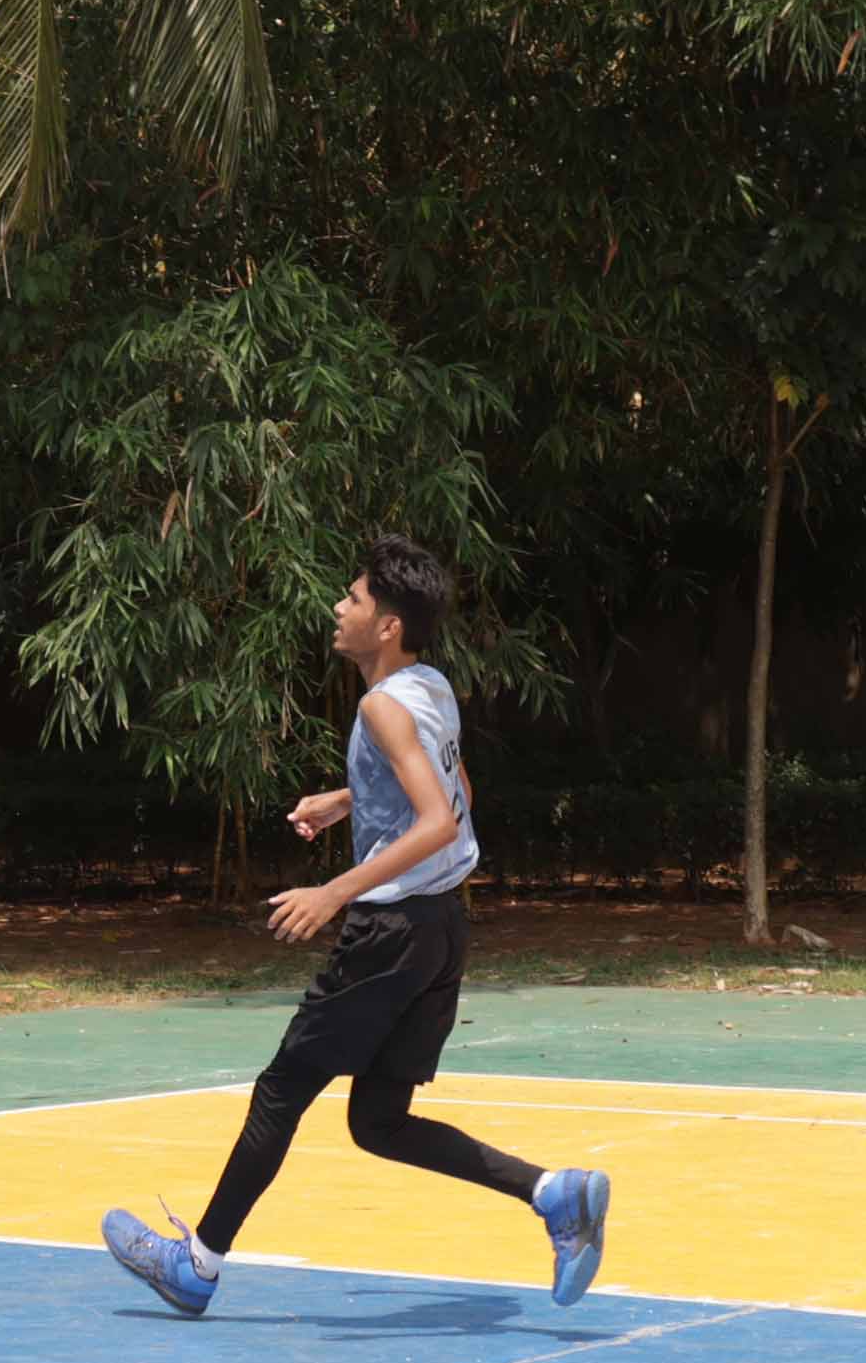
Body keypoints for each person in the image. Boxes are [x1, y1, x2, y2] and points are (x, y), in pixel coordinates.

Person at [102, 534, 611, 1318]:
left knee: (282, 1088)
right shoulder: (429, 687)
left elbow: (438, 820)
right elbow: (457, 787)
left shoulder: (381, 705)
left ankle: (195, 1265)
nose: (339, 609)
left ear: (388, 626)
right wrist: (346, 799)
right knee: (376, 1123)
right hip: (441, 929)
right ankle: (554, 1194)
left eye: (354, 599)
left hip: (392, 936)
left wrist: (333, 890)